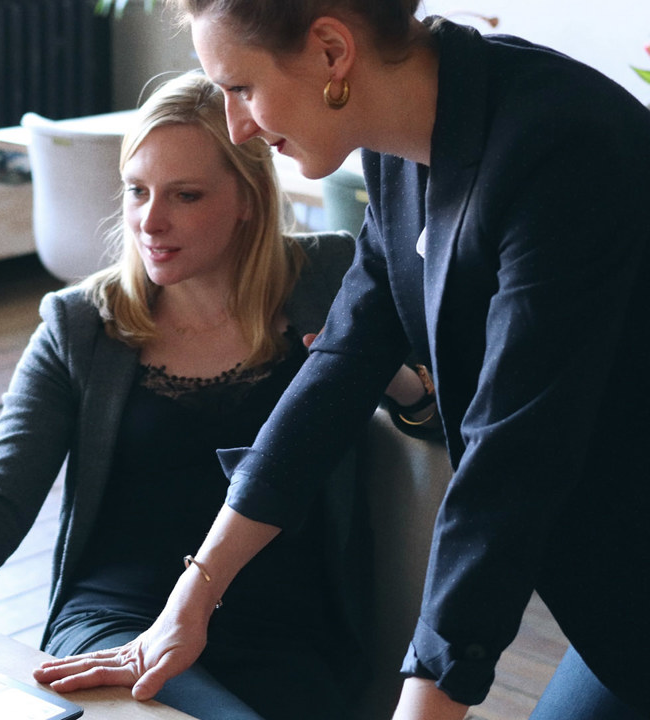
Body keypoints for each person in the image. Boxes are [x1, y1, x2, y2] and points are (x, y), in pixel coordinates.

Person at [34, 3, 650, 719]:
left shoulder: (559, 145)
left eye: (241, 89)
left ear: (332, 51)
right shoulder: (404, 148)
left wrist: (429, 695)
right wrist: (193, 596)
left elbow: (512, 460)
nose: (236, 128)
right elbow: (340, 364)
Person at [0, 70, 407, 720]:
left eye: (185, 195)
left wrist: (389, 376)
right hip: (113, 625)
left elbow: (440, 418)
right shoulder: (82, 324)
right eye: (137, 191)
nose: (150, 221)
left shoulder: (329, 276)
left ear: (248, 198)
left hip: (288, 635)